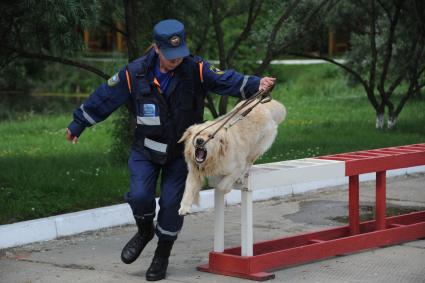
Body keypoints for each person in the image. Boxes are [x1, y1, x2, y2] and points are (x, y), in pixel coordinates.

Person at [66, 19, 275, 281]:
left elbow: (226, 80)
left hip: (181, 154)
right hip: (146, 150)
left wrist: (257, 84)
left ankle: (161, 255)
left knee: (171, 206)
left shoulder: (195, 69)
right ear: (156, 48)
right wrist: (78, 123)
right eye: (170, 55)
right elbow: (105, 97)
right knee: (140, 196)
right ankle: (144, 231)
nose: (176, 60)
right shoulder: (134, 73)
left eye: (180, 54)